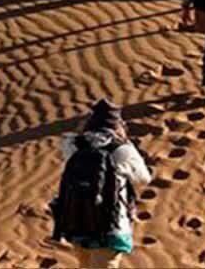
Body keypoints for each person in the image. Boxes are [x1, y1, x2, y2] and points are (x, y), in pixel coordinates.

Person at [49, 99, 153, 268]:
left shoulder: (72, 145)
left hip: (77, 223)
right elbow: (143, 179)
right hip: (111, 226)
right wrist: (128, 144)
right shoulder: (121, 150)